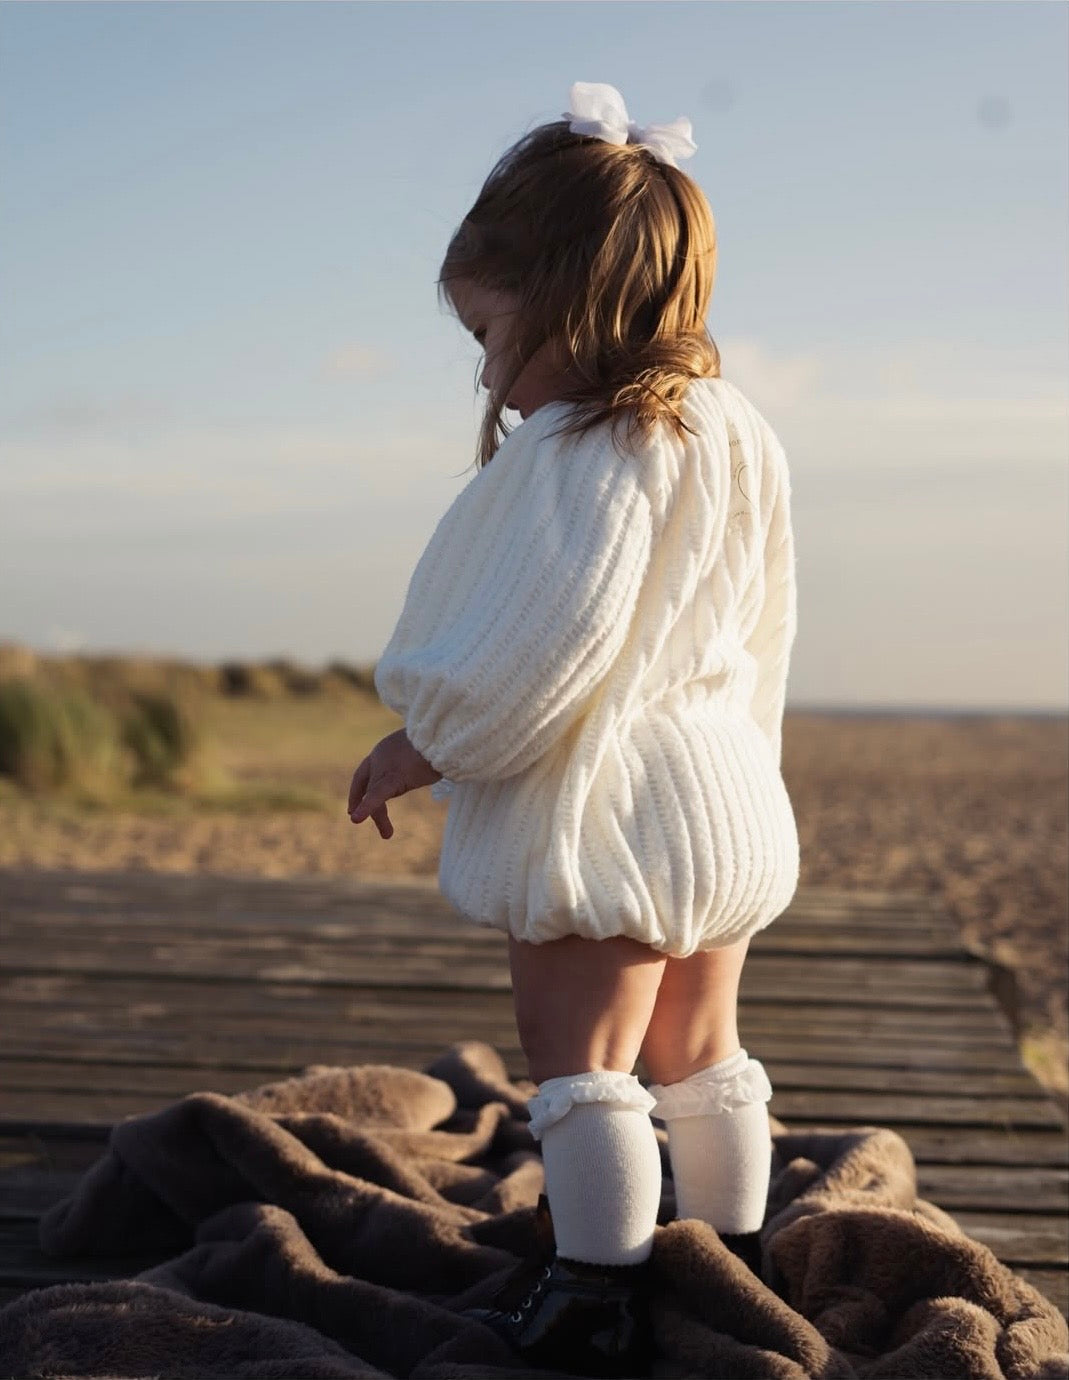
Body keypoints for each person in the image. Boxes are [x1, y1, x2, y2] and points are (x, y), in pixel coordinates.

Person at [346, 79, 800, 1378]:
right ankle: (732, 1256)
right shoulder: (732, 430)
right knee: (703, 1051)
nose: (484, 364)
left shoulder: (582, 447)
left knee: (581, 1058)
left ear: (563, 302)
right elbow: (766, 622)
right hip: (718, 793)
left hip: (608, 806)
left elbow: (544, 643)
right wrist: (747, 767)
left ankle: (595, 1295)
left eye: (489, 329)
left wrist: (428, 739)